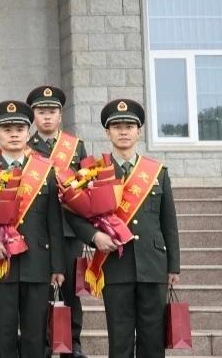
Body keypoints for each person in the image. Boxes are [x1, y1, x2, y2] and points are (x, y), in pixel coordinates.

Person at [65, 99, 180, 358]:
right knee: (120, 336)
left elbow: (168, 222)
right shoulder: (94, 172)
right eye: (117, 127)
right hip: (115, 264)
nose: (123, 132)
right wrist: (94, 236)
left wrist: (173, 266)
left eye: (129, 126)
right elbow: (72, 213)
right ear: (107, 132)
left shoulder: (157, 172)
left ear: (139, 131)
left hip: (153, 264)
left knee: (152, 338)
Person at [0, 101, 64, 358]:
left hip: (37, 263)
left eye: (20, 129)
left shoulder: (46, 171)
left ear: (29, 133)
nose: (14, 134)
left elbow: (54, 222)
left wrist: (57, 267)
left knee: (35, 335)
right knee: (4, 334)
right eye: (7, 130)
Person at [26, 85, 88, 358]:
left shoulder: (76, 146)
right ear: (34, 116)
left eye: (52, 111)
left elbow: (87, 183)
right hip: (37, 230)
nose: (47, 116)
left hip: (69, 228)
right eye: (41, 112)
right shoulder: (25, 147)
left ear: (60, 115)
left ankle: (71, 344)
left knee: (71, 290)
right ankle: (40, 344)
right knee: (39, 292)